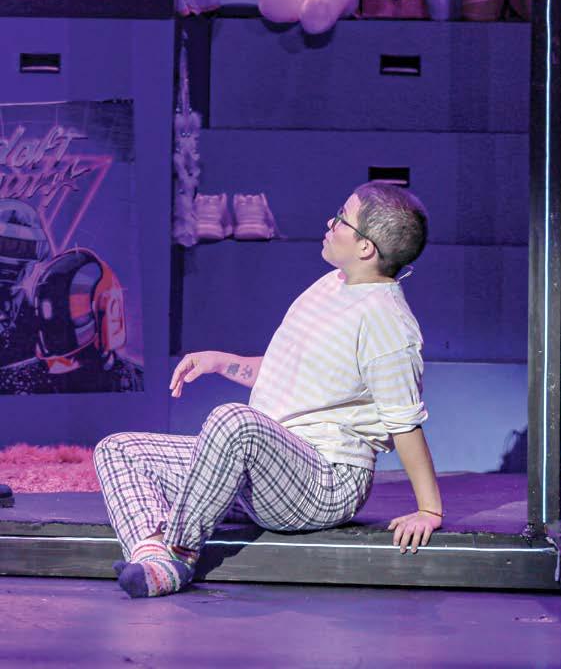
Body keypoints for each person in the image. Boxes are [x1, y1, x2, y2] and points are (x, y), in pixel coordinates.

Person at [93, 181, 443, 598]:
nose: (329, 223)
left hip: (325, 482)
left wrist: (429, 509)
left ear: (366, 247)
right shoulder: (332, 285)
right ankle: (151, 557)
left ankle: (178, 555)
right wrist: (221, 362)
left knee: (233, 421)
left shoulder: (387, 321)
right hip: (270, 468)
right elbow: (289, 373)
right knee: (118, 451)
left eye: (341, 218)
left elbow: (404, 421)